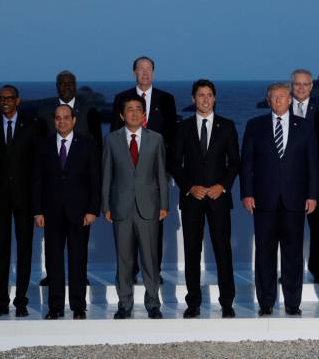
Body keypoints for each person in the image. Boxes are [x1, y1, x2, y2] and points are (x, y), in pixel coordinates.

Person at [240, 82, 318, 316]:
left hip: (295, 200)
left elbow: (312, 164)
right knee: (264, 253)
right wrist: (247, 192)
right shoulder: (255, 125)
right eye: (273, 97)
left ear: (290, 99)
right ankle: (266, 302)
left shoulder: (304, 127)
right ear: (268, 99)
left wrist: (313, 195)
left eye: (282, 97)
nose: (278, 101)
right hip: (263, 200)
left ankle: (293, 303)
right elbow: (247, 164)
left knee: (293, 254)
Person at [168, 80, 240, 319]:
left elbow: (235, 162)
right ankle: (193, 302)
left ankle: (227, 302)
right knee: (191, 252)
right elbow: (173, 163)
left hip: (218, 199)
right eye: (201, 95)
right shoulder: (182, 128)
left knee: (223, 252)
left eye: (209, 95)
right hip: (192, 199)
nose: (205, 99)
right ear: (193, 99)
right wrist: (190, 187)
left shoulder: (227, 127)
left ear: (215, 98)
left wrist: (223, 186)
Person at [110, 56, 178, 283]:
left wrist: (167, 171)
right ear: (134, 73)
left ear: (154, 73)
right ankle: (129, 273)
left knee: (153, 227)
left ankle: (153, 271)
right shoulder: (122, 99)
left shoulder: (166, 99)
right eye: (141, 69)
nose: (145, 73)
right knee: (127, 230)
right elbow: (114, 137)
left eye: (149, 69)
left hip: (154, 175)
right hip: (127, 177)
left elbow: (172, 137)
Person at [102, 94, 169, 319]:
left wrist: (164, 205)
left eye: (138, 108)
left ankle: (153, 303)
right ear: (122, 115)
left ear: (144, 114)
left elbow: (161, 175)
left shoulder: (156, 139)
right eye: (129, 109)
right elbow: (107, 175)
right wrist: (105, 206)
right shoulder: (111, 139)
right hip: (121, 208)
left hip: (149, 207)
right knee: (124, 259)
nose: (134, 112)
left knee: (150, 258)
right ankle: (125, 304)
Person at [32, 104, 101, 320]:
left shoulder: (88, 145)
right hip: (51, 212)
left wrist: (92, 210)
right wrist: (37, 210)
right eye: (58, 118)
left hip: (80, 213)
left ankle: (78, 306)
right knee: (53, 261)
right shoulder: (43, 146)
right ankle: (55, 307)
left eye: (66, 117)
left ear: (74, 120)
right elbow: (37, 180)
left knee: (78, 260)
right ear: (54, 121)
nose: (62, 121)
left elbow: (95, 181)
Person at [36, 70, 102, 287]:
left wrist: (93, 205)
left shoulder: (88, 110)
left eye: (70, 83)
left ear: (75, 85)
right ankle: (53, 282)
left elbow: (97, 151)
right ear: (57, 86)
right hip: (53, 200)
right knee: (53, 250)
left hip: (79, 199)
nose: (66, 87)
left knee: (78, 251)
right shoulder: (46, 111)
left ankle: (79, 287)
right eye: (62, 83)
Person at [0, 85, 41, 318]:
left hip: (25, 198)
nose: (5, 101)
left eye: (9, 98)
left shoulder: (32, 126)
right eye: (1, 98)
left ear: (18, 101)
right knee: (0, 251)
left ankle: (21, 301)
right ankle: (1, 302)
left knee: (25, 250)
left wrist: (38, 202)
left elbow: (38, 167)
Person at [290, 68, 319, 284]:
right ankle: (291, 271)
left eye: (305, 84)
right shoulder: (282, 108)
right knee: (290, 228)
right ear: (292, 85)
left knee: (317, 228)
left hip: (317, 180)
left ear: (311, 86)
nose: (301, 88)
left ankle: (317, 269)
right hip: (288, 179)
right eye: (297, 84)